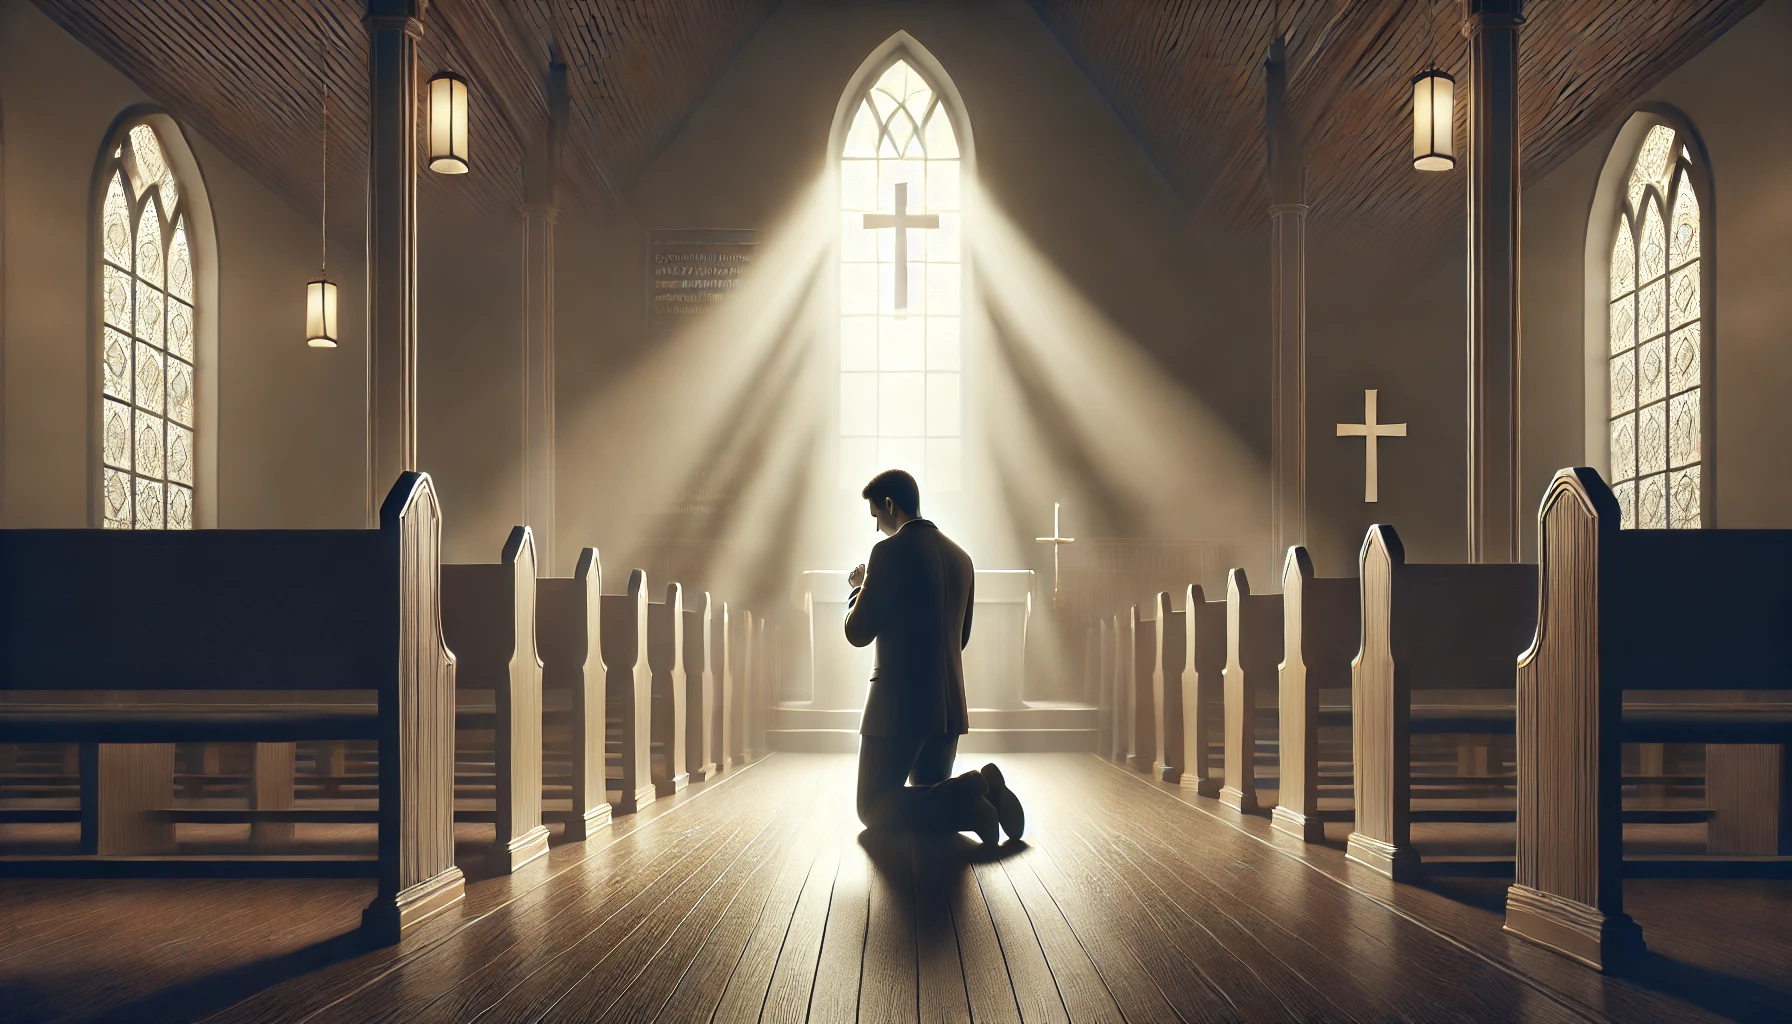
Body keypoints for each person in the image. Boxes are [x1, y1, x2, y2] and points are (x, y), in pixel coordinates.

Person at [845, 469, 1024, 845]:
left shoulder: (887, 553)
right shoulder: (962, 557)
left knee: (872, 806)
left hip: (896, 710)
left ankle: (970, 793)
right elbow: (961, 637)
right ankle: (985, 793)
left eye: (877, 515)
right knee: (929, 787)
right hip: (948, 710)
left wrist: (858, 590)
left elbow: (857, 632)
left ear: (890, 504)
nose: (878, 527)